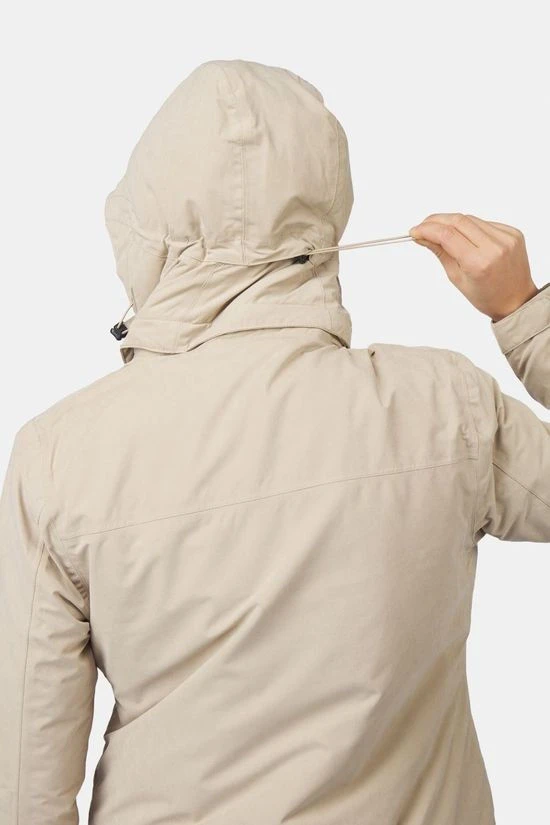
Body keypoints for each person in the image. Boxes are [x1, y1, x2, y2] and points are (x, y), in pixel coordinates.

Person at [0, 60, 548, 825]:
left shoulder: (61, 454)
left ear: (145, 223)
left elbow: (26, 788)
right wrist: (524, 311)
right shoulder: (442, 403)